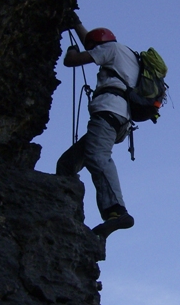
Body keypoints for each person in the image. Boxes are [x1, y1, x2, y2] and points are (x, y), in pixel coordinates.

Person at [56, 12, 138, 238]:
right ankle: (65, 205)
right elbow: (92, 43)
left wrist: (72, 50)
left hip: (108, 112)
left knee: (97, 157)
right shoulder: (124, 54)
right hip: (119, 118)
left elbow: (72, 60)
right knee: (66, 164)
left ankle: (117, 210)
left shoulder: (111, 49)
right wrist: (76, 24)